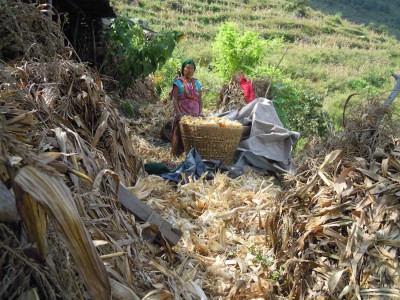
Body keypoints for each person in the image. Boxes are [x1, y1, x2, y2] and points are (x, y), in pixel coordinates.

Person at [170, 59, 203, 156]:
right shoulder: (178, 82)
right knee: (179, 136)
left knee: (193, 137)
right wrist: (179, 113)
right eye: (187, 68)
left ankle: (191, 157)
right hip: (182, 115)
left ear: (194, 70)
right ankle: (177, 157)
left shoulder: (197, 83)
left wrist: (200, 112)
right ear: (183, 69)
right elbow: (174, 98)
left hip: (194, 117)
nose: (189, 70)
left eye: (192, 68)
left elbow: (200, 100)